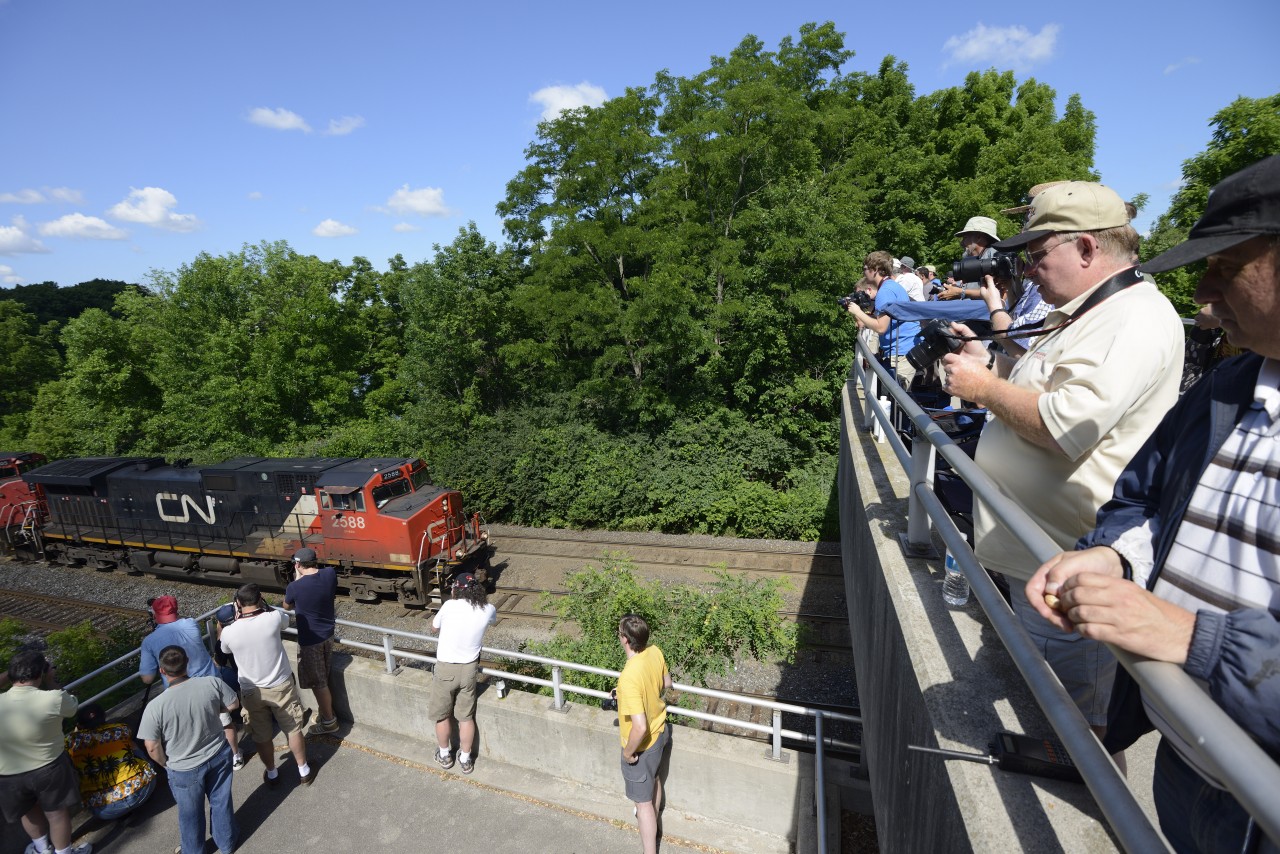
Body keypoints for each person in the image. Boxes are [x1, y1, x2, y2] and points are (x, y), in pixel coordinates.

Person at [1026, 155, 1280, 853]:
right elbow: (1142, 498)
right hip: (1185, 757)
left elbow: (1061, 427)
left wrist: (1193, 641)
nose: (1202, 292)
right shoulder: (1226, 387)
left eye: (1226, 265)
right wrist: (1113, 558)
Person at [940, 181, 1184, 749]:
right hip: (1041, 548)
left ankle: (1082, 765)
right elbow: (1054, 387)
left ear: (1086, 248)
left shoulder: (1134, 319)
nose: (1026, 269)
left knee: (1078, 690)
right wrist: (994, 367)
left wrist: (980, 389)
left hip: (1067, 557)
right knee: (1053, 672)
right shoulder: (1094, 312)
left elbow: (1062, 425)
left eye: (1037, 252)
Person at [137, 646, 239, 854]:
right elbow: (234, 703)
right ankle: (227, 843)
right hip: (218, 753)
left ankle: (193, 850)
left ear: (162, 671)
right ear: (187, 662)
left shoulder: (156, 707)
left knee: (190, 813)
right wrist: (216, 708)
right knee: (221, 801)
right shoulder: (211, 683)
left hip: (183, 767)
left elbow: (152, 747)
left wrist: (167, 764)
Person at [218, 584, 313, 787]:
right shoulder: (273, 618)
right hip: (281, 685)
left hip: (251, 692)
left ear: (238, 604)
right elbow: (286, 621)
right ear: (260, 599)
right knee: (292, 728)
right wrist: (268, 608)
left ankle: (272, 773)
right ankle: (304, 770)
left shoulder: (229, 632)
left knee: (261, 735)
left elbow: (224, 650)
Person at [0, 650, 91, 854]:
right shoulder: (54, 699)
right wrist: (50, 681)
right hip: (49, 767)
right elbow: (72, 708)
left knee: (28, 812)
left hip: (8, 774)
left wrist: (12, 673)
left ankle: (42, 849)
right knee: (57, 815)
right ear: (41, 673)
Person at [139, 595, 241, 769]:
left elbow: (147, 678)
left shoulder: (149, 641)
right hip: (210, 682)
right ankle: (235, 756)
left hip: (179, 691)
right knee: (224, 721)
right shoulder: (191, 624)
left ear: (155, 616)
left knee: (191, 726)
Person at [615, 614, 673, 854]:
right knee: (655, 781)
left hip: (643, 746)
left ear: (625, 640)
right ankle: (654, 827)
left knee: (643, 802)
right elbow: (666, 683)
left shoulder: (628, 677)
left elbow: (639, 727)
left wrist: (629, 753)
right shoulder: (655, 651)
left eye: (619, 634)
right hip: (662, 732)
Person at [430, 572, 496, 774]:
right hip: (469, 670)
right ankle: (466, 760)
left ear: (455, 590)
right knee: (466, 717)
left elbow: (434, 628)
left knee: (442, 715)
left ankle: (444, 755)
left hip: (445, 668)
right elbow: (492, 621)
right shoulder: (488, 609)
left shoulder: (449, 606)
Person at [65, 703, 157, 821]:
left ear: (79, 725)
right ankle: (138, 797)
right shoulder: (121, 729)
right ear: (104, 717)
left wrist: (77, 730)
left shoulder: (71, 742)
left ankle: (121, 812)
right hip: (143, 791)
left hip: (105, 810)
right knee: (132, 747)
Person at [282, 547, 340, 736]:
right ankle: (326, 712)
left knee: (318, 683)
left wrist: (297, 579)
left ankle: (330, 722)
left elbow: (286, 605)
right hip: (328, 635)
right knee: (325, 676)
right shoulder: (330, 574)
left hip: (310, 641)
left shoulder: (295, 587)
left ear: (297, 565)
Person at [845, 250, 923, 388]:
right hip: (902, 349)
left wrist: (858, 311)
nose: (863, 272)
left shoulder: (885, 291)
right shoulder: (890, 286)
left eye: (865, 268)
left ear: (875, 270)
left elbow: (881, 327)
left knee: (897, 400)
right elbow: (884, 319)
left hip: (901, 352)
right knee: (894, 399)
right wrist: (861, 315)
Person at [939, 215, 1000, 299]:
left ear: (978, 237)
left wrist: (960, 292)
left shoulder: (994, 256)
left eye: (965, 238)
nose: (962, 243)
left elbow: (998, 292)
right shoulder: (974, 258)